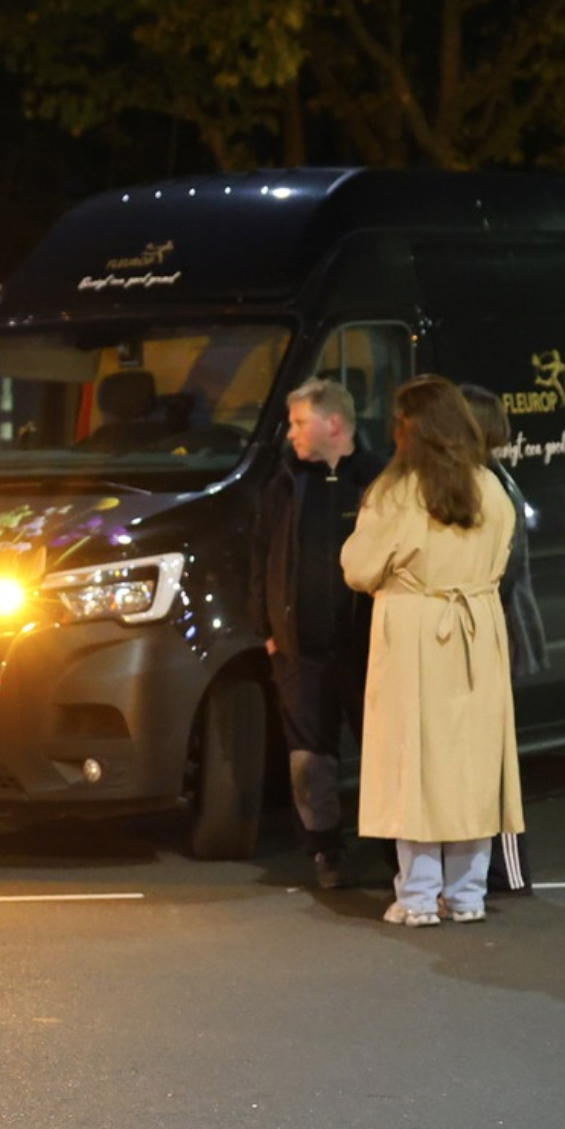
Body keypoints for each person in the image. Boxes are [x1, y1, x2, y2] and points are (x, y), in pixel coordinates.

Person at [340, 375, 524, 926]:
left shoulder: (397, 491)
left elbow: (358, 566)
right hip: (479, 632)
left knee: (412, 762)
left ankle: (419, 896)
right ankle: (467, 894)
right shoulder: (490, 488)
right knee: (472, 762)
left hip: (417, 631)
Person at [248, 376, 385, 889]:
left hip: (367, 649)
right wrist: (268, 630)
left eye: (299, 421)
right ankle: (325, 851)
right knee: (309, 760)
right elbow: (261, 556)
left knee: (381, 750)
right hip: (300, 652)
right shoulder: (285, 480)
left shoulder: (378, 480)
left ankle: (395, 850)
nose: (290, 433)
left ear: (334, 423)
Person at [459, 383, 548, 679]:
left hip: (499, 624)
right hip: (501, 621)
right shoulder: (491, 476)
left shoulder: (489, 485)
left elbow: (505, 567)